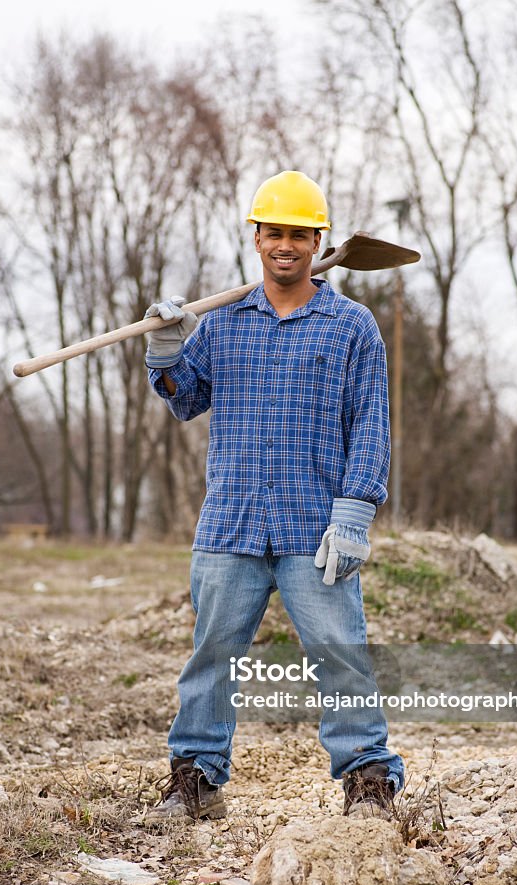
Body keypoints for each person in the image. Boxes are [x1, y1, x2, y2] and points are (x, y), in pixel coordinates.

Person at [144, 170, 404, 823]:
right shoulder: (224, 322)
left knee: (340, 652)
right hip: (231, 524)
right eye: (273, 233)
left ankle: (368, 779)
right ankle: (195, 778)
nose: (284, 244)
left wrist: (354, 512)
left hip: (313, 527)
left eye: (297, 234)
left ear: (317, 241)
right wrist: (165, 352)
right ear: (256, 238)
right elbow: (187, 399)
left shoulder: (350, 326)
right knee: (211, 654)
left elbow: (370, 423)